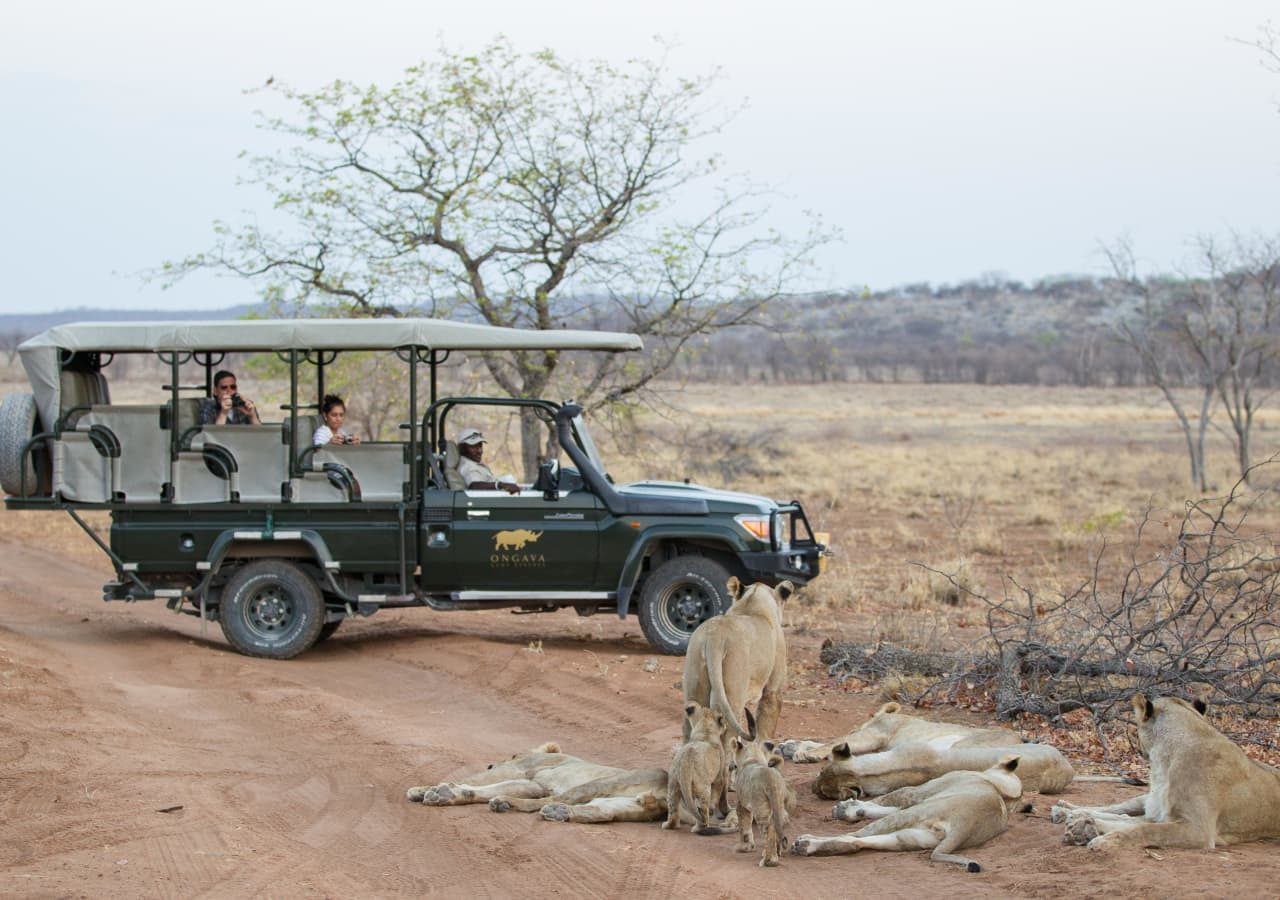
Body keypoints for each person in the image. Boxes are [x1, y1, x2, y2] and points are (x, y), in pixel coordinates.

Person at [456, 428, 519, 494]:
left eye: (480, 445)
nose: (480, 451)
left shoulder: (473, 462)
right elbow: (474, 485)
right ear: (462, 448)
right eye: (473, 446)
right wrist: (500, 485)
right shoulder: (468, 466)